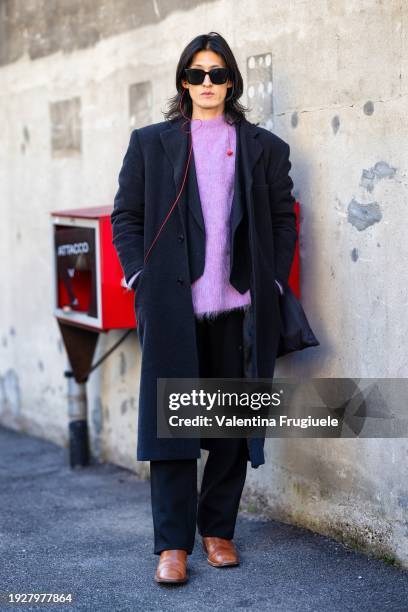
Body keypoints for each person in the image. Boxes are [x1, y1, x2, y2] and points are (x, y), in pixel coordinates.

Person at [111, 31, 297, 585]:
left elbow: (284, 218)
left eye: (217, 74)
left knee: (231, 429)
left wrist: (273, 281)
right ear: (183, 81)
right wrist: (139, 275)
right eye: (197, 73)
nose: (208, 83)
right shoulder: (151, 143)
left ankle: (217, 532)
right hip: (173, 307)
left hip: (239, 308)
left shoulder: (263, 146)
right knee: (173, 428)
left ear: (232, 81)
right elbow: (127, 216)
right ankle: (172, 546)